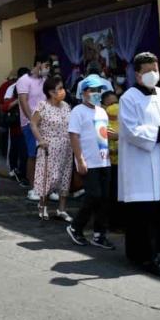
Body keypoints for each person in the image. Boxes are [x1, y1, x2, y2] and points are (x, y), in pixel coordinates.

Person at [118, 52, 160, 277]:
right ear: (137, 74)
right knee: (142, 213)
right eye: (147, 71)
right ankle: (144, 256)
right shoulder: (129, 98)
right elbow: (131, 131)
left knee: (157, 211)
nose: (152, 75)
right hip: (141, 165)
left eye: (155, 70)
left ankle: (153, 251)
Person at [65, 75, 113, 249]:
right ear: (84, 92)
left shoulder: (101, 110)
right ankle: (75, 227)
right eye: (92, 90)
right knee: (93, 196)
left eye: (98, 90)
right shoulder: (78, 111)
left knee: (104, 199)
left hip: (104, 160)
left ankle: (100, 235)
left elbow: (103, 132)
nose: (96, 93)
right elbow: (74, 136)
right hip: (88, 161)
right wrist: (80, 159)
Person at [29, 76, 73, 221]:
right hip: (49, 147)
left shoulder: (66, 106)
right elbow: (33, 124)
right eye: (59, 89)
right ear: (50, 92)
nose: (62, 91)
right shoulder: (43, 106)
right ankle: (43, 205)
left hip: (66, 146)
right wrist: (40, 140)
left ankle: (61, 209)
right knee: (48, 177)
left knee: (64, 177)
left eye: (62, 88)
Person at [16, 53, 51, 199]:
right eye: (46, 65)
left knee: (47, 155)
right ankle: (33, 188)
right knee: (34, 154)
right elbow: (23, 102)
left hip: (46, 122)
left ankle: (48, 187)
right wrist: (32, 121)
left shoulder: (45, 80)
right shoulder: (24, 80)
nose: (48, 69)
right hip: (30, 123)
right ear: (38, 63)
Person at [102, 91, 122, 230]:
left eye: (116, 102)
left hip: (124, 164)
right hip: (108, 165)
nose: (115, 106)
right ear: (104, 106)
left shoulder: (125, 119)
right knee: (110, 195)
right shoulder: (101, 121)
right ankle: (111, 223)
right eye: (110, 104)